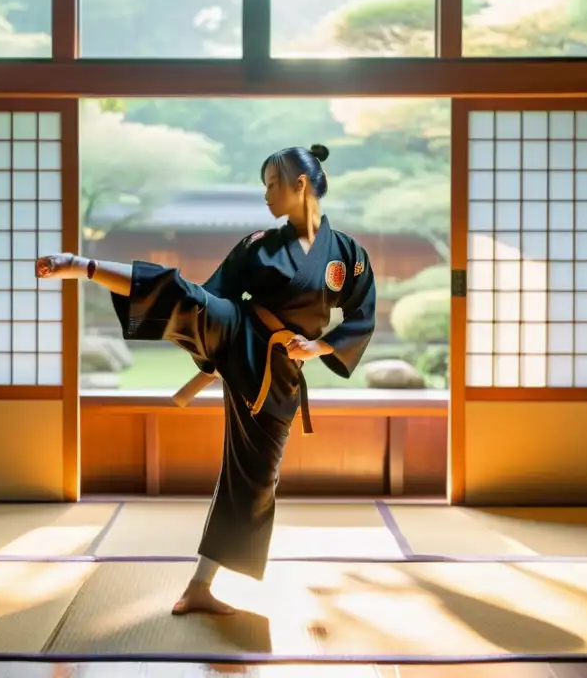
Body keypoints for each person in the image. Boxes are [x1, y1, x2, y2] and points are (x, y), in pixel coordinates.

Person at [36, 144, 377, 616]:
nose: (265, 194)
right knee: (182, 295)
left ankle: (200, 585)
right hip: (237, 330)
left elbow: (361, 318)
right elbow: (209, 295)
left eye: (272, 184)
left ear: (300, 186)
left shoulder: (348, 255)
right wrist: (210, 350)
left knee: (255, 478)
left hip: (278, 376)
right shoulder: (258, 243)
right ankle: (82, 266)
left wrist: (317, 347)